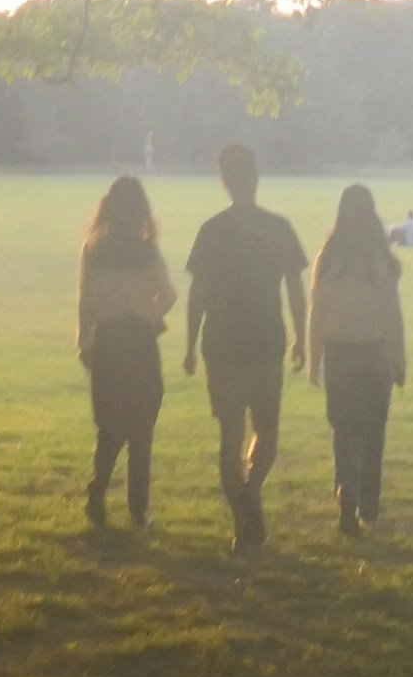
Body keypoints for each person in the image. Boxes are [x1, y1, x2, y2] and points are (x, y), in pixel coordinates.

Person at [180, 141, 307, 548]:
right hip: (267, 341)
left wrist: (189, 344)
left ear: (225, 182)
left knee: (230, 435)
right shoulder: (278, 227)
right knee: (266, 432)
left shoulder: (212, 230)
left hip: (222, 344)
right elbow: (295, 290)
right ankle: (252, 494)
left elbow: (197, 294)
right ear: (255, 178)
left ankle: (243, 520)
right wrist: (302, 337)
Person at [307, 182, 408, 537]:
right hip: (375, 355)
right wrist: (399, 360)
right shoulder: (379, 262)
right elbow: (392, 315)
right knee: (373, 434)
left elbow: (316, 313)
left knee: (344, 430)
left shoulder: (327, 259)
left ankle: (345, 488)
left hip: (339, 354)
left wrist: (313, 356)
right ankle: (369, 504)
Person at [75, 172, 174, 530]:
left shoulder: (94, 249)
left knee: (110, 425)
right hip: (140, 341)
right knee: (142, 428)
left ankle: (97, 492)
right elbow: (169, 295)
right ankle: (138, 510)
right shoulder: (147, 251)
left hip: (108, 340)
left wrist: (83, 341)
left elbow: (85, 301)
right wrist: (150, 314)